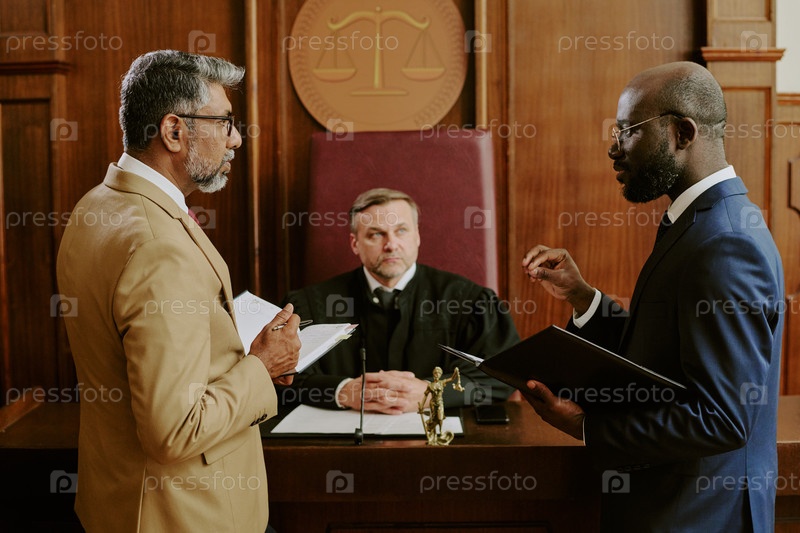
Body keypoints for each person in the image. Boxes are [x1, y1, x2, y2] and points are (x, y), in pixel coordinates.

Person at [521, 61, 784, 531]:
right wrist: (583, 298)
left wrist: (585, 427)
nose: (613, 148)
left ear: (683, 133)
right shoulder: (699, 222)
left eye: (628, 132)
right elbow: (668, 356)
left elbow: (722, 419)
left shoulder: (726, 242)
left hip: (697, 517)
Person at [56, 50, 301, 532]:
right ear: (173, 131)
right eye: (225, 122)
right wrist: (263, 366)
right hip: (185, 514)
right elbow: (174, 430)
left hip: (117, 501)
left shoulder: (96, 204)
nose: (236, 139)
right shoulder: (159, 248)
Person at [282, 188, 520, 414]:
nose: (391, 245)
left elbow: (503, 375)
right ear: (355, 244)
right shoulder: (310, 305)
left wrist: (432, 392)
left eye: (401, 231)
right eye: (376, 234)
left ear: (417, 236)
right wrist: (342, 391)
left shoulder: (468, 300)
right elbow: (279, 377)